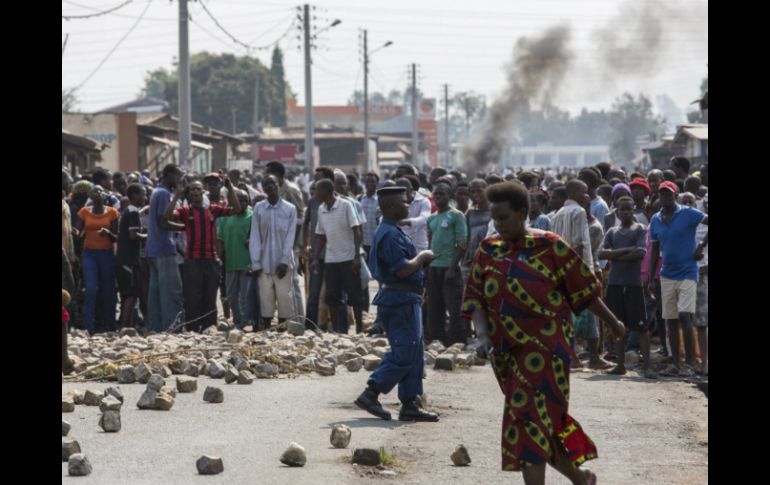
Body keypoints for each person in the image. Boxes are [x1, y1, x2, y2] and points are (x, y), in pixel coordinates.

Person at [463, 181, 625, 484]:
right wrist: (483, 336)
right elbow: (475, 299)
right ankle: (580, 477)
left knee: (526, 419)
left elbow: (585, 291)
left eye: (503, 218)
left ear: (523, 212)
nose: (497, 225)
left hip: (546, 351)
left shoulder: (550, 246)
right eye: (494, 219)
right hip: (506, 354)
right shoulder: (489, 250)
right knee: (540, 421)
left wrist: (614, 323)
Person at [354, 186, 440, 422]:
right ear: (390, 206)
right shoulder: (390, 234)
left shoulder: (393, 230)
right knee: (404, 353)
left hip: (406, 298)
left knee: (414, 351)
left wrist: (421, 267)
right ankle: (371, 393)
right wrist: (421, 258)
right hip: (399, 300)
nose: (407, 206)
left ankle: (410, 403)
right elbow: (401, 269)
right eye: (403, 202)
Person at [164, 175, 242, 332]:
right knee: (192, 296)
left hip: (211, 259)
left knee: (210, 295)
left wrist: (230, 187)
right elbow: (166, 218)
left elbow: (237, 210)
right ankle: (192, 328)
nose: (194, 192)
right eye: (192, 189)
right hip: (192, 260)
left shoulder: (212, 209)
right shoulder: (185, 211)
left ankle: (209, 327)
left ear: (203, 192)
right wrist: (177, 196)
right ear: (188, 193)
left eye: (198, 189)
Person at [647, 181, 708, 376]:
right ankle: (676, 363)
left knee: (684, 315)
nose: (665, 197)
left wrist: (701, 246)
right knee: (670, 319)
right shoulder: (655, 219)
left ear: (675, 194)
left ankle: (689, 363)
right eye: (662, 194)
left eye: (668, 194)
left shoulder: (688, 213)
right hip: (667, 273)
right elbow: (655, 249)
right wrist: (650, 277)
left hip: (688, 271)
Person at [598, 196, 655, 378]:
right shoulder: (612, 231)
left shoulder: (639, 229)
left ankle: (647, 366)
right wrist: (623, 251)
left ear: (633, 210)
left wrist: (614, 256)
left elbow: (639, 253)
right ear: (617, 211)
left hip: (633, 283)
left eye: (629, 209)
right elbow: (601, 253)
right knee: (617, 325)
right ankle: (620, 365)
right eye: (623, 210)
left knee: (641, 326)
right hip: (615, 283)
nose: (627, 213)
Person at [311, 179, 363, 335]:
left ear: (327, 191)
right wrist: (315, 257)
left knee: (354, 294)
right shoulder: (321, 209)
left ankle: (359, 328)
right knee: (332, 296)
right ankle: (337, 329)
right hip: (331, 259)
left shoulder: (345, 205)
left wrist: (356, 256)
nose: (315, 193)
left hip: (348, 258)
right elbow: (321, 236)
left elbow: (356, 230)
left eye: (317, 190)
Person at [250, 176, 298, 330]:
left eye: (272, 183)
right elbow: (255, 236)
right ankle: (267, 330)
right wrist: (256, 262)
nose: (269, 186)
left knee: (284, 297)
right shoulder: (258, 208)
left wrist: (284, 261)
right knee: (266, 299)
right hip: (263, 263)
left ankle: (283, 330)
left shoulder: (290, 208)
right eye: (266, 184)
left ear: (278, 185)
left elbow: (290, 237)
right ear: (262, 188)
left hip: (283, 264)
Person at [426, 182, 468, 345]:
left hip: (449, 268)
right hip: (434, 268)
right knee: (434, 307)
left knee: (454, 308)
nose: (437, 197)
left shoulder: (456, 216)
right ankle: (437, 340)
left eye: (441, 194)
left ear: (449, 197)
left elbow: (462, 243)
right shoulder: (432, 218)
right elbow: (431, 244)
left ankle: (457, 342)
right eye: (436, 194)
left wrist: (452, 267)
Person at [265, 161, 306, 324]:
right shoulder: (276, 189)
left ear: (278, 175)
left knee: (293, 283)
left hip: (291, 245)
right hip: (277, 244)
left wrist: (293, 246)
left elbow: (299, 220)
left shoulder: (291, 190)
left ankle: (299, 320)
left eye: (269, 174)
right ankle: (285, 319)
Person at [76, 185, 120, 334]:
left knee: (108, 291)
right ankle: (89, 328)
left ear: (105, 195)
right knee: (90, 289)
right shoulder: (84, 212)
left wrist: (108, 233)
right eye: (94, 190)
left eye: (100, 191)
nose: (97, 192)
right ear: (90, 195)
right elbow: (78, 231)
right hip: (89, 254)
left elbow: (116, 237)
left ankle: (110, 326)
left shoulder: (112, 212)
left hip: (106, 254)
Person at [146, 164, 185, 333]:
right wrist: (184, 227)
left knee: (155, 292)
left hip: (153, 249)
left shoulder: (156, 191)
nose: (179, 180)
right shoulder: (163, 194)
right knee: (170, 292)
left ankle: (155, 328)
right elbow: (163, 222)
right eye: (177, 176)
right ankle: (172, 329)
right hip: (164, 248)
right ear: (169, 175)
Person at [218, 189, 255, 330]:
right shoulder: (225, 217)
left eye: (246, 200)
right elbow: (219, 239)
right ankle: (238, 320)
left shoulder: (252, 217)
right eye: (239, 200)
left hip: (247, 264)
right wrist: (219, 258)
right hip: (230, 263)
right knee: (231, 295)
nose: (243, 203)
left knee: (245, 296)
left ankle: (246, 322)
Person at [115, 184, 148, 329]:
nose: (145, 197)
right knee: (130, 295)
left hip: (124, 260)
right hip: (128, 261)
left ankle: (126, 326)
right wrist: (148, 235)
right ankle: (124, 327)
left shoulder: (129, 211)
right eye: (143, 194)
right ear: (134, 195)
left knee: (129, 295)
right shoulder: (133, 212)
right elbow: (133, 235)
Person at [397, 176, 432, 252]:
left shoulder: (424, 201)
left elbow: (425, 218)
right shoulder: (395, 202)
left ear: (411, 189)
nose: (403, 195)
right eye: (400, 193)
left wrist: (407, 221)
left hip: (418, 246)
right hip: (401, 246)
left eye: (405, 191)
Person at [359, 172, 381, 259]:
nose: (370, 184)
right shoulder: (360, 199)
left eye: (372, 181)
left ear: (377, 183)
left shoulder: (380, 199)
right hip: (363, 243)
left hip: (376, 242)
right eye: (368, 181)